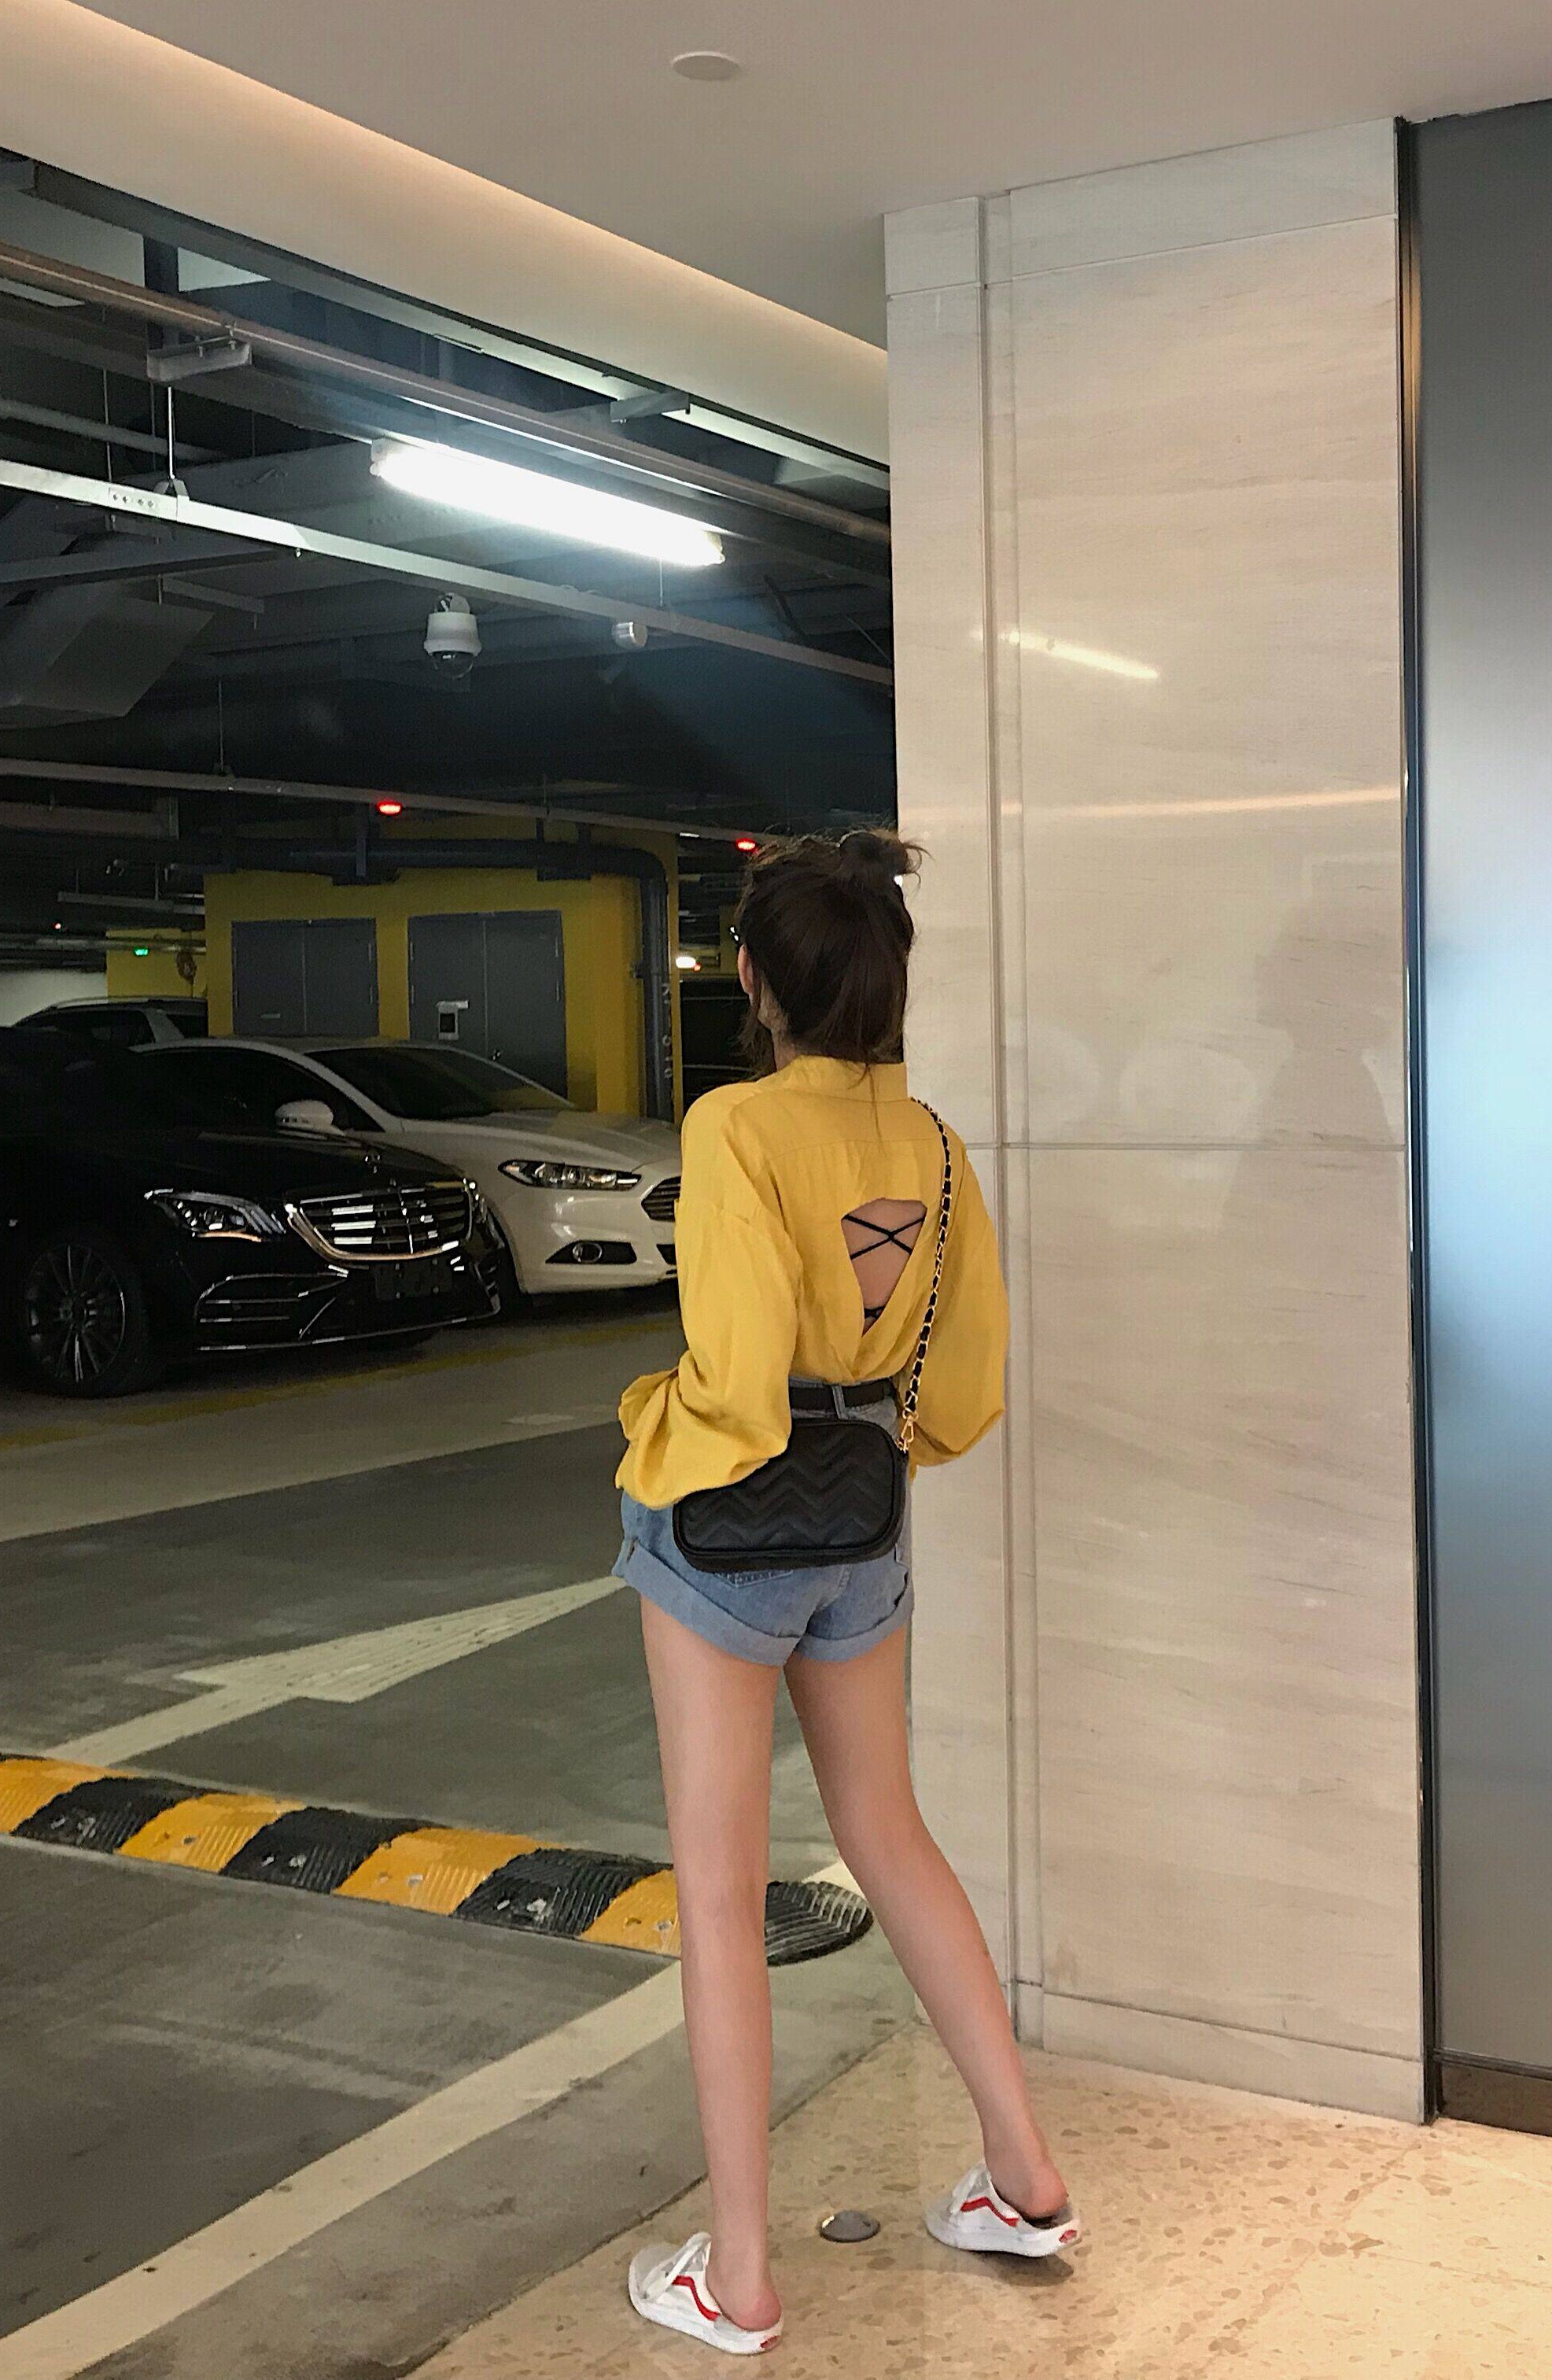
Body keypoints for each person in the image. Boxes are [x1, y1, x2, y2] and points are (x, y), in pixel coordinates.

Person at [614, 830, 1075, 2356]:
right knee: (889, 1830)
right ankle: (1023, 2175)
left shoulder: (736, 1125)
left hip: (727, 1530)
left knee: (719, 1885)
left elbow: (738, 1371)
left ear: (752, 979)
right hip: (866, 1513)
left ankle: (739, 2275)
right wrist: (886, 1440)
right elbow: (970, 1376)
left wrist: (657, 1427)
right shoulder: (929, 1144)